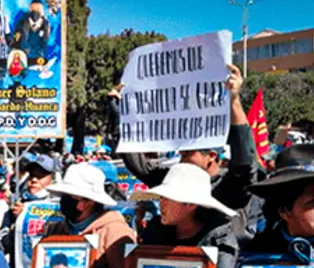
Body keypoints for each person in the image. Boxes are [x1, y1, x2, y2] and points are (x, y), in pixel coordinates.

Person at [110, 65, 263, 239]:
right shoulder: (173, 179)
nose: (180, 160)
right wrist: (121, 116)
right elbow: (138, 165)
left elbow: (244, 164)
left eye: (186, 154)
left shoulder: (228, 187)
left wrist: (234, 101)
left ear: (211, 156)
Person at [12, 0, 50, 67]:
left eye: (38, 9)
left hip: (36, 54)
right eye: (33, 9)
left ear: (43, 12)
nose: (36, 12)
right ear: (29, 10)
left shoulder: (45, 25)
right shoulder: (21, 23)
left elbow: (45, 42)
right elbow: (16, 40)